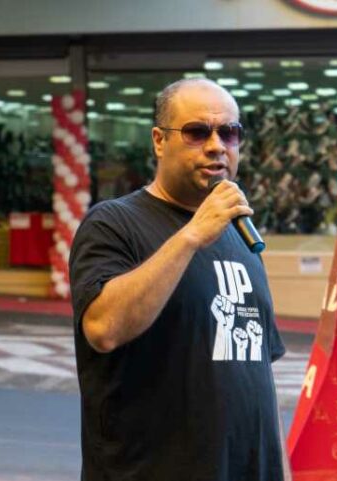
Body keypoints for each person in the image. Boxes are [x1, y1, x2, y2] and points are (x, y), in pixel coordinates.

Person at [69, 78, 291, 481]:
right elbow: (103, 328)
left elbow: (260, 372)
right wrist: (190, 237)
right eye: (197, 132)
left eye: (229, 132)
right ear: (159, 140)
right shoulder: (114, 223)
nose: (216, 146)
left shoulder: (239, 235)